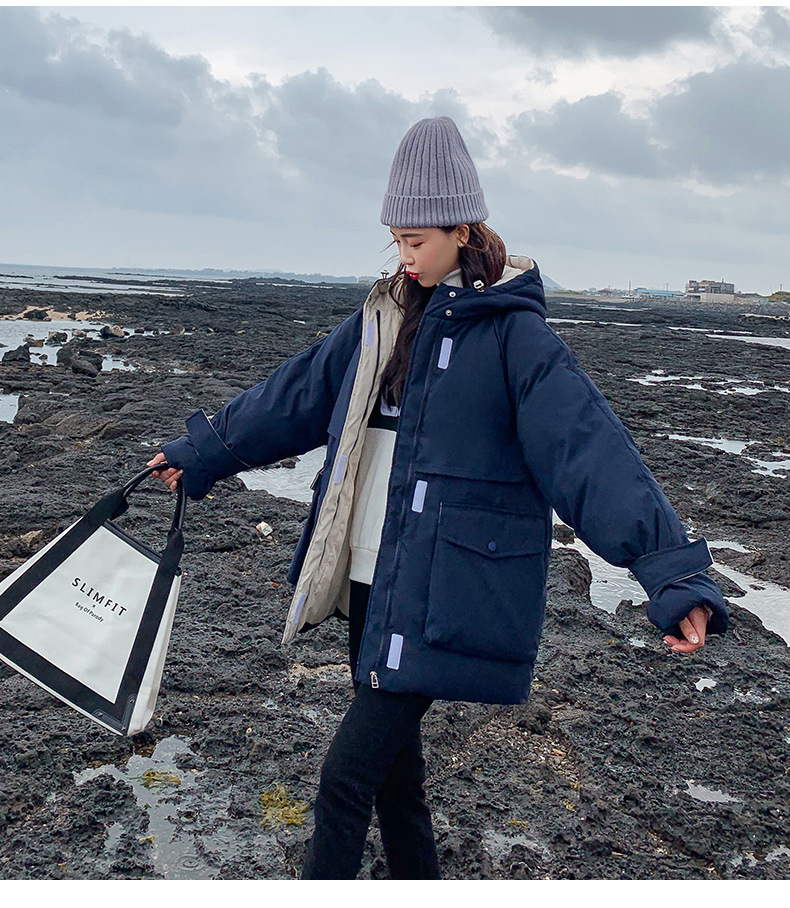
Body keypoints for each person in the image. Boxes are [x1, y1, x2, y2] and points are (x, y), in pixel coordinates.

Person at [148, 117, 729, 880]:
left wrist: (671, 572)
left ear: (462, 228)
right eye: (394, 238)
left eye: (415, 239)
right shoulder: (382, 319)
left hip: (444, 589)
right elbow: (289, 399)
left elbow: (592, 455)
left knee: (344, 782)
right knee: (396, 783)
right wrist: (201, 455)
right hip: (369, 582)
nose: (404, 255)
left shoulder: (516, 339)